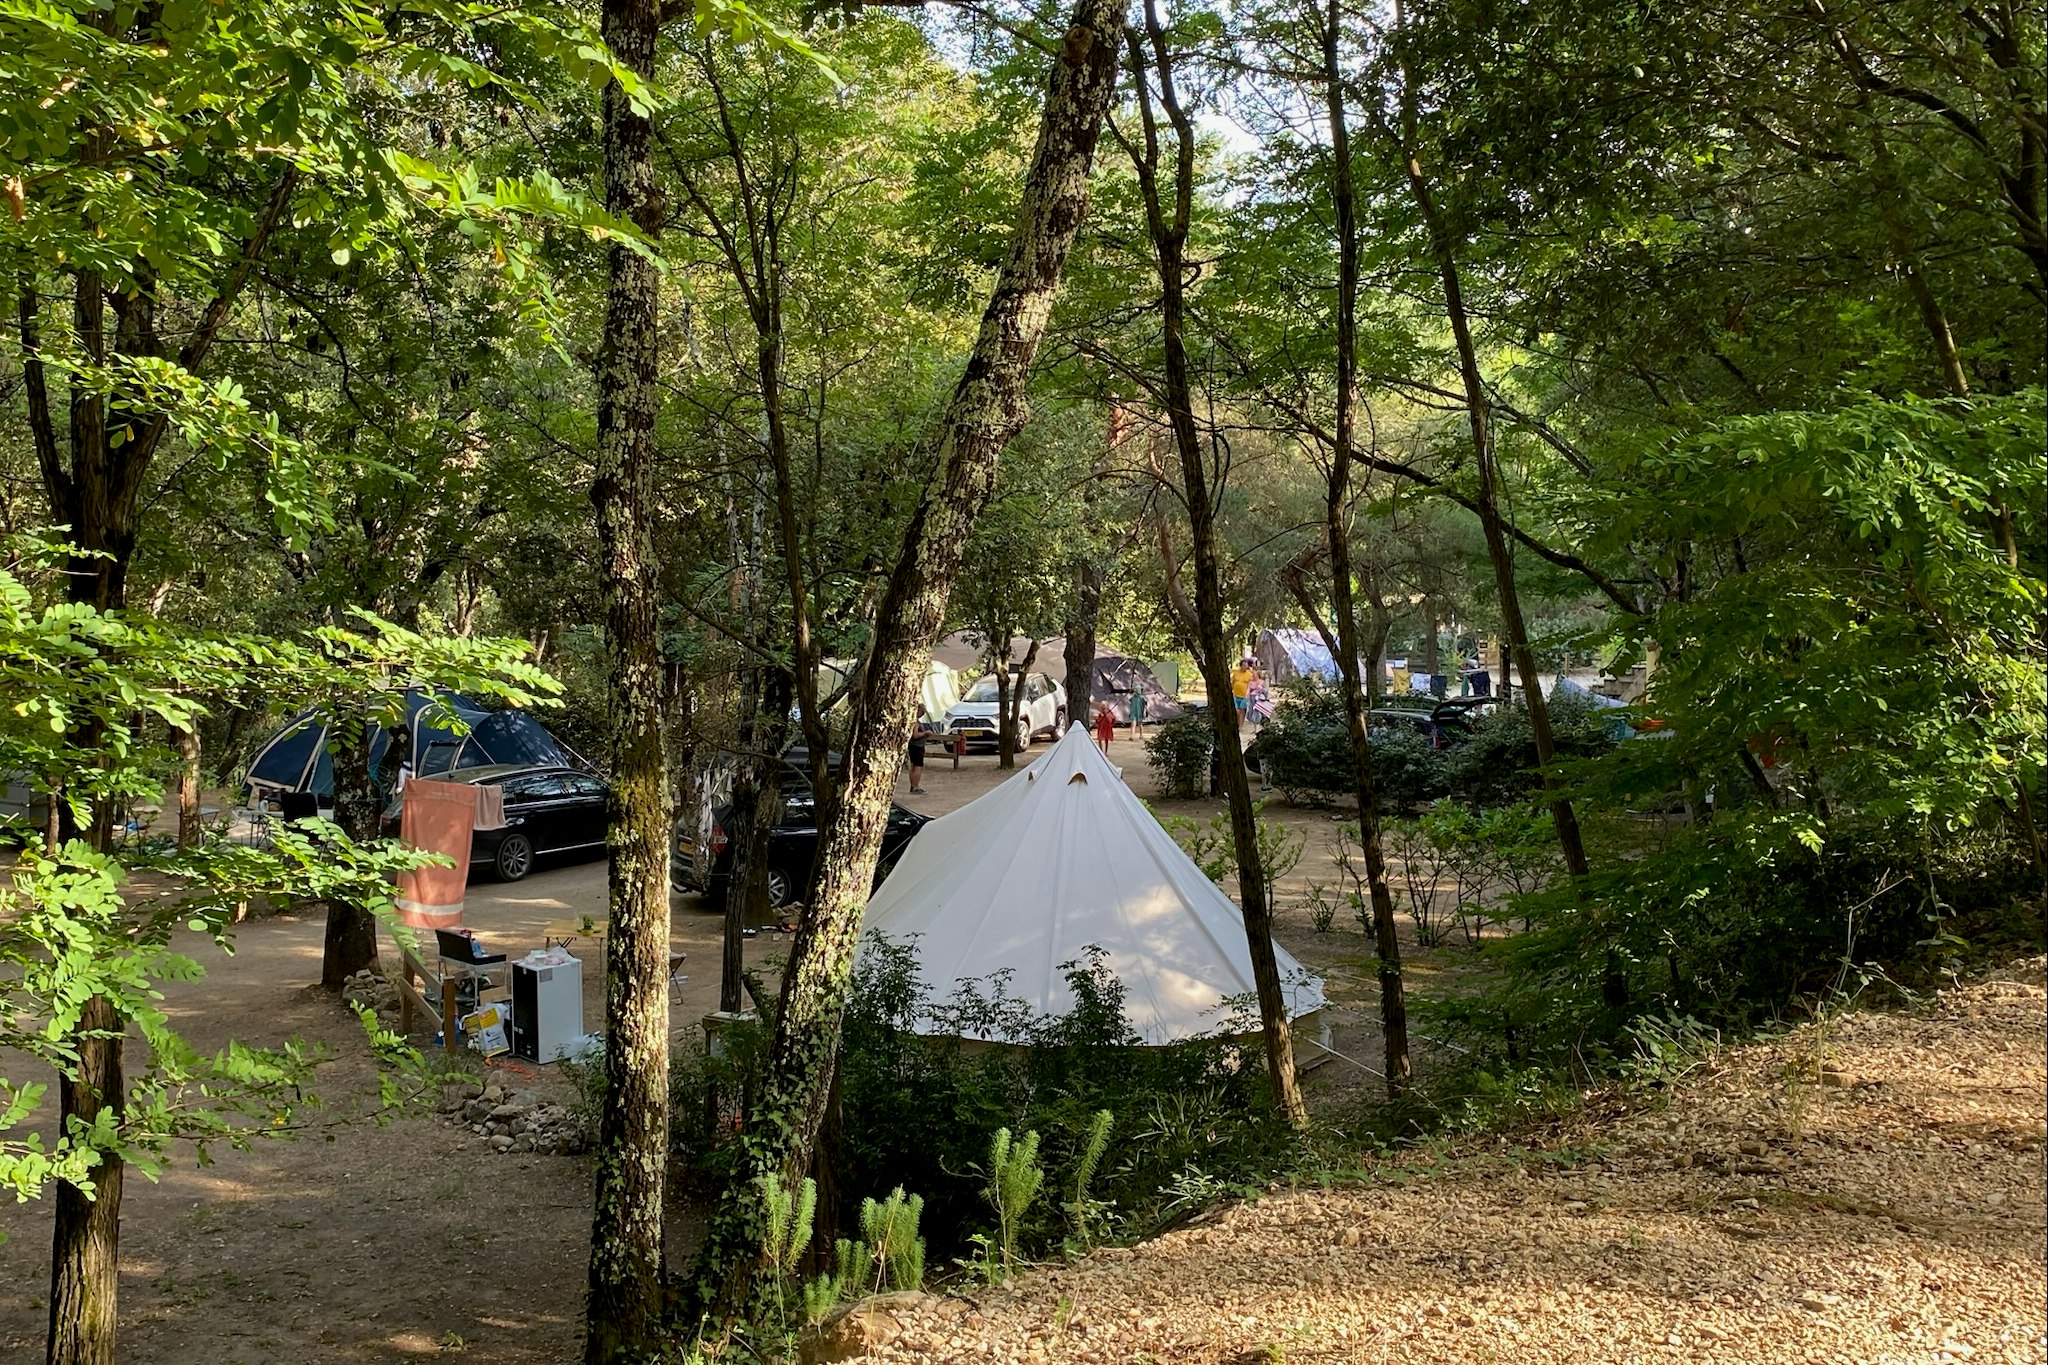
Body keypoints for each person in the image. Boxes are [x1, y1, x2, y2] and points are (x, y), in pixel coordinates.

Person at [1230, 656, 1255, 729]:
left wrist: (1248, 693)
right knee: (1236, 710)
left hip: (1244, 696)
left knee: (1242, 711)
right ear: (1241, 665)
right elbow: (1232, 682)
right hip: (1235, 694)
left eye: (1246, 665)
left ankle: (1240, 726)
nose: (1245, 666)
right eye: (1244, 665)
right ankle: (1237, 723)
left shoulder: (1249, 674)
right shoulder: (1236, 673)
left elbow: (1250, 685)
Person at [906, 719, 929, 795]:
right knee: (918, 766)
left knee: (913, 766)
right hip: (917, 746)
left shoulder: (912, 720)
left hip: (913, 746)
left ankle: (913, 786)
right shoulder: (916, 722)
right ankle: (915, 787)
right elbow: (915, 735)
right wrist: (925, 733)